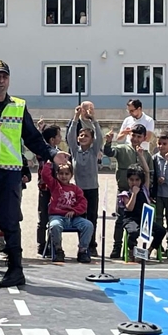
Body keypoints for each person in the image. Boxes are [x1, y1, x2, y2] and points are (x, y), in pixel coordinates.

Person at [0, 60, 66, 287]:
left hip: (9, 173)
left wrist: (52, 154)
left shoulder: (19, 106)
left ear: (8, 80)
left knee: (9, 222)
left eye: (4, 77)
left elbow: (32, 138)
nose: (0, 81)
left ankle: (15, 270)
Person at [103, 124, 148, 258]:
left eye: (138, 136)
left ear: (144, 138)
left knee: (139, 220)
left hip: (140, 194)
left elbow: (149, 173)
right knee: (120, 219)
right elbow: (109, 152)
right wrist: (108, 142)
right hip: (123, 192)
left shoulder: (146, 154)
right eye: (133, 135)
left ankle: (135, 248)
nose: (135, 138)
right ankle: (117, 247)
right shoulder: (122, 149)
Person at [65, 105, 103, 256]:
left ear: (91, 139)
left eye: (86, 136)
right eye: (81, 136)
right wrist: (75, 118)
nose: (82, 138)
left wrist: (94, 120)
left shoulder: (94, 151)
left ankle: (91, 245)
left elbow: (99, 137)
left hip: (92, 188)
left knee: (92, 216)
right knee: (80, 217)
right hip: (79, 189)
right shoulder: (75, 151)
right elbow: (69, 137)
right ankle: (82, 245)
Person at [39, 161, 93, 263]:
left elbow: (83, 204)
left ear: (71, 175)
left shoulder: (76, 189)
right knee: (55, 226)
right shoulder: (55, 185)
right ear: (57, 174)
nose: (64, 176)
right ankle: (58, 249)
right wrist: (49, 162)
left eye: (67, 174)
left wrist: (75, 211)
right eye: (61, 174)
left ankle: (82, 250)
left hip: (74, 218)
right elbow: (45, 175)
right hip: (57, 216)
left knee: (88, 225)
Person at [119, 155, 166, 261]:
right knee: (133, 232)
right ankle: (132, 251)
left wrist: (140, 155)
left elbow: (147, 172)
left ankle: (148, 251)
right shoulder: (125, 194)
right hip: (130, 220)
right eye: (131, 180)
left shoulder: (144, 189)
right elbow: (129, 208)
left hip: (144, 219)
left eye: (137, 180)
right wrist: (134, 194)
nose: (134, 183)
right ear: (128, 180)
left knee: (161, 231)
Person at [35, 124, 62, 256]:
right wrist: (40, 131)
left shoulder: (59, 152)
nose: (60, 138)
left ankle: (53, 243)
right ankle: (41, 244)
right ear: (52, 139)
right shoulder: (42, 152)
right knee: (43, 218)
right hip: (45, 189)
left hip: (56, 190)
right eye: (58, 135)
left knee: (55, 216)